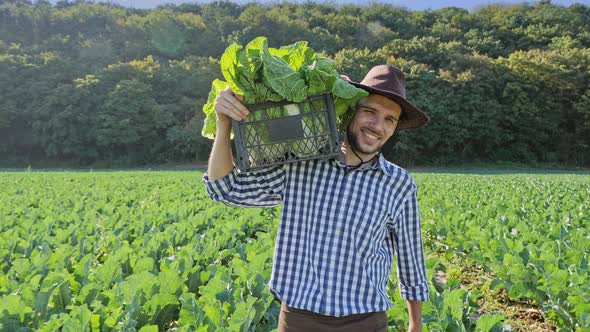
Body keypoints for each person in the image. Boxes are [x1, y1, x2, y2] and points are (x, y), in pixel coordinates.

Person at [203, 65, 430, 332]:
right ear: (350, 111)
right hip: (299, 320)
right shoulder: (301, 164)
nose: (377, 126)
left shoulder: (398, 184)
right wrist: (223, 123)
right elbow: (225, 188)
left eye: (389, 119)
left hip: (365, 322)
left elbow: (410, 260)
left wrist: (416, 324)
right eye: (369, 111)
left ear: (394, 128)